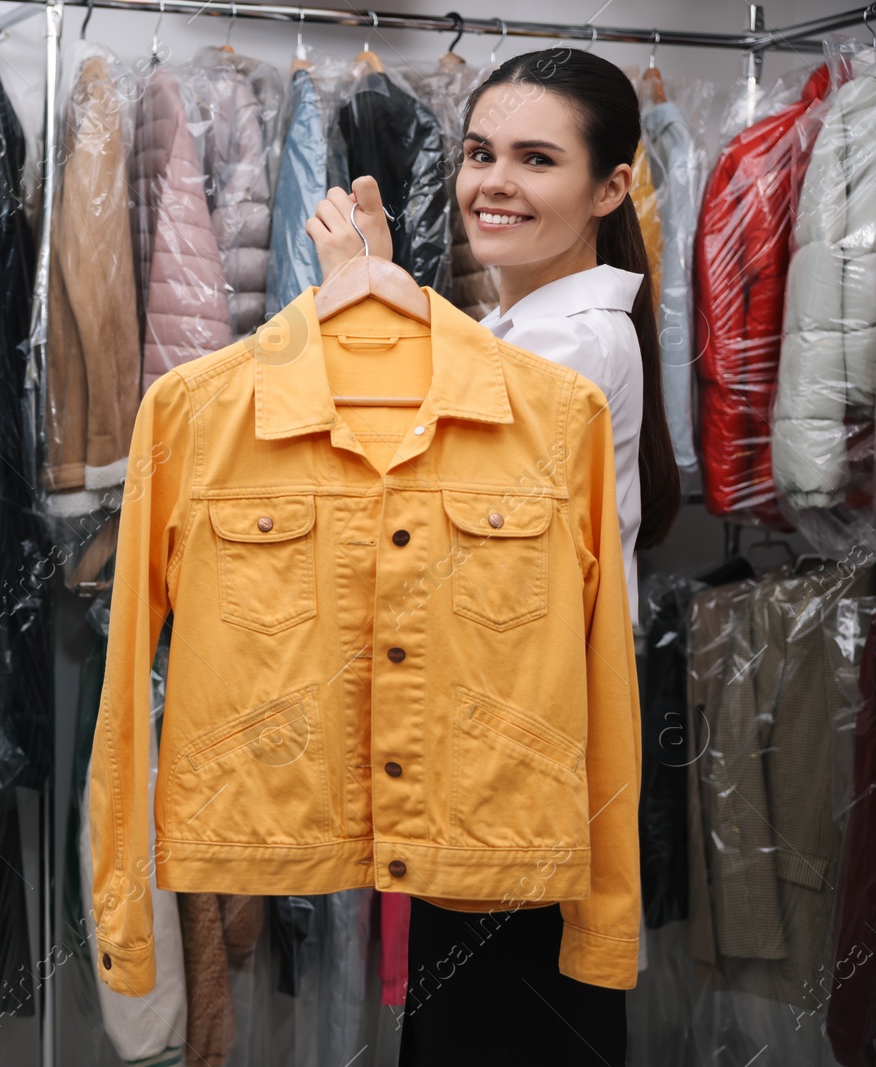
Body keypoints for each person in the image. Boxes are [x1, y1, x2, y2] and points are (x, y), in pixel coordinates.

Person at [306, 47, 679, 1066]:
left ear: (608, 188)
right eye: (478, 152)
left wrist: (365, 302)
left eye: (534, 158)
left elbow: (415, 509)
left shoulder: (577, 349)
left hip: (515, 778)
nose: (491, 182)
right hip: (482, 761)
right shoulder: (510, 329)